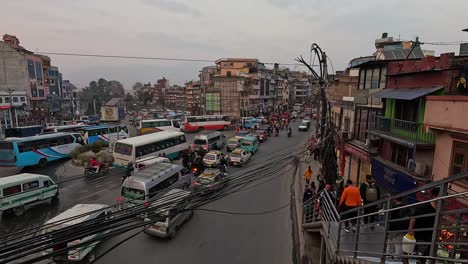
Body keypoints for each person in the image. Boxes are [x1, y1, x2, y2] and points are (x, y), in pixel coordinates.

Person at [407, 188, 438, 263]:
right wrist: (410, 228)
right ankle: (405, 258)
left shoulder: (438, 209)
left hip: (428, 230)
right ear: (435, 196)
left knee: (433, 244)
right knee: (411, 245)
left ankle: (421, 260)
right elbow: (414, 216)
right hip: (419, 228)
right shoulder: (425, 206)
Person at [387, 196, 410, 261]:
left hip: (393, 227)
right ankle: (398, 256)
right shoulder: (406, 207)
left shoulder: (393, 208)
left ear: (394, 199)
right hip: (402, 227)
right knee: (399, 243)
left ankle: (390, 255)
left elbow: (390, 218)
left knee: (391, 241)